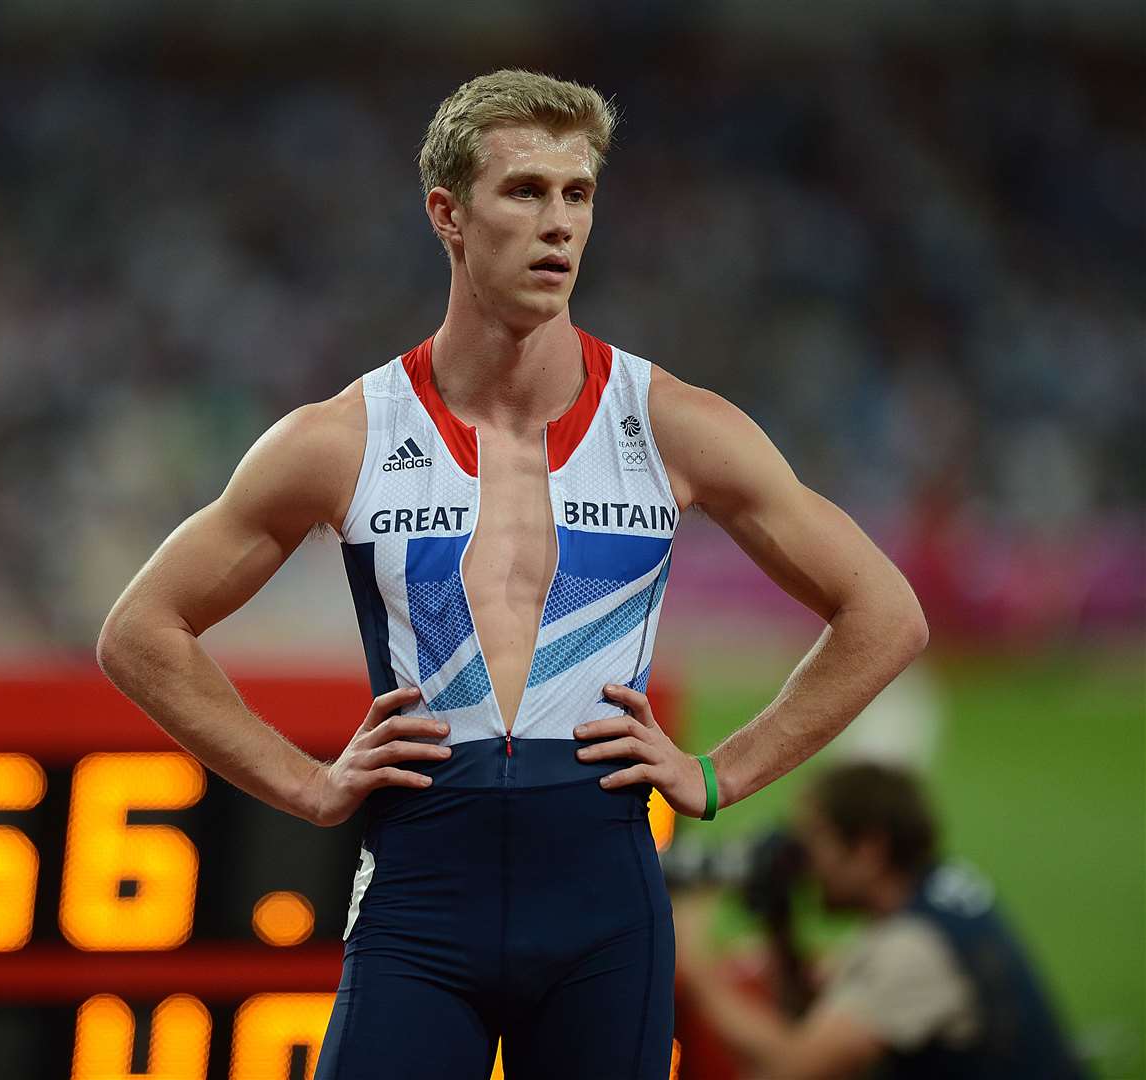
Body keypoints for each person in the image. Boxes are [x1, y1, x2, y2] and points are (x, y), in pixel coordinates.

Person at [96, 69, 928, 1079]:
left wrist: (721, 772)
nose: (559, 224)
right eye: (525, 191)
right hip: (419, 909)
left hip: (605, 917)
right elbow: (141, 631)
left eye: (578, 195)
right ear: (448, 214)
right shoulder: (341, 440)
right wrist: (307, 787)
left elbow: (885, 614)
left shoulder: (673, 426)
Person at [674, 762, 1088, 1079]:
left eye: (816, 840)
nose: (805, 864)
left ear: (868, 850)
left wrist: (696, 969)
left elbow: (793, 1066)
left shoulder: (913, 951)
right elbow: (814, 1015)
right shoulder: (935, 895)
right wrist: (779, 928)